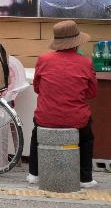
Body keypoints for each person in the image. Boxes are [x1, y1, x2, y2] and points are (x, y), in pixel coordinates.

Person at [27, 19, 98, 188]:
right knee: (87, 138)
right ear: (76, 44)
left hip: (46, 117)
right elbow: (92, 93)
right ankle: (85, 178)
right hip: (77, 120)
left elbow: (37, 88)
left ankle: (34, 174)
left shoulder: (43, 59)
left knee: (36, 135)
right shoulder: (86, 62)